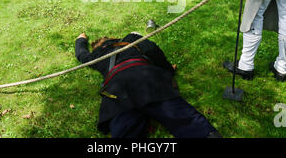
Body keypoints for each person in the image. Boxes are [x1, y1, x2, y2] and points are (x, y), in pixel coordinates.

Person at [75, 32, 221, 138]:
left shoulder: (96, 56)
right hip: (148, 81)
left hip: (117, 92)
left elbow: (81, 54)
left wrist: (80, 39)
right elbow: (152, 50)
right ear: (113, 38)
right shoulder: (131, 39)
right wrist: (168, 70)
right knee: (188, 121)